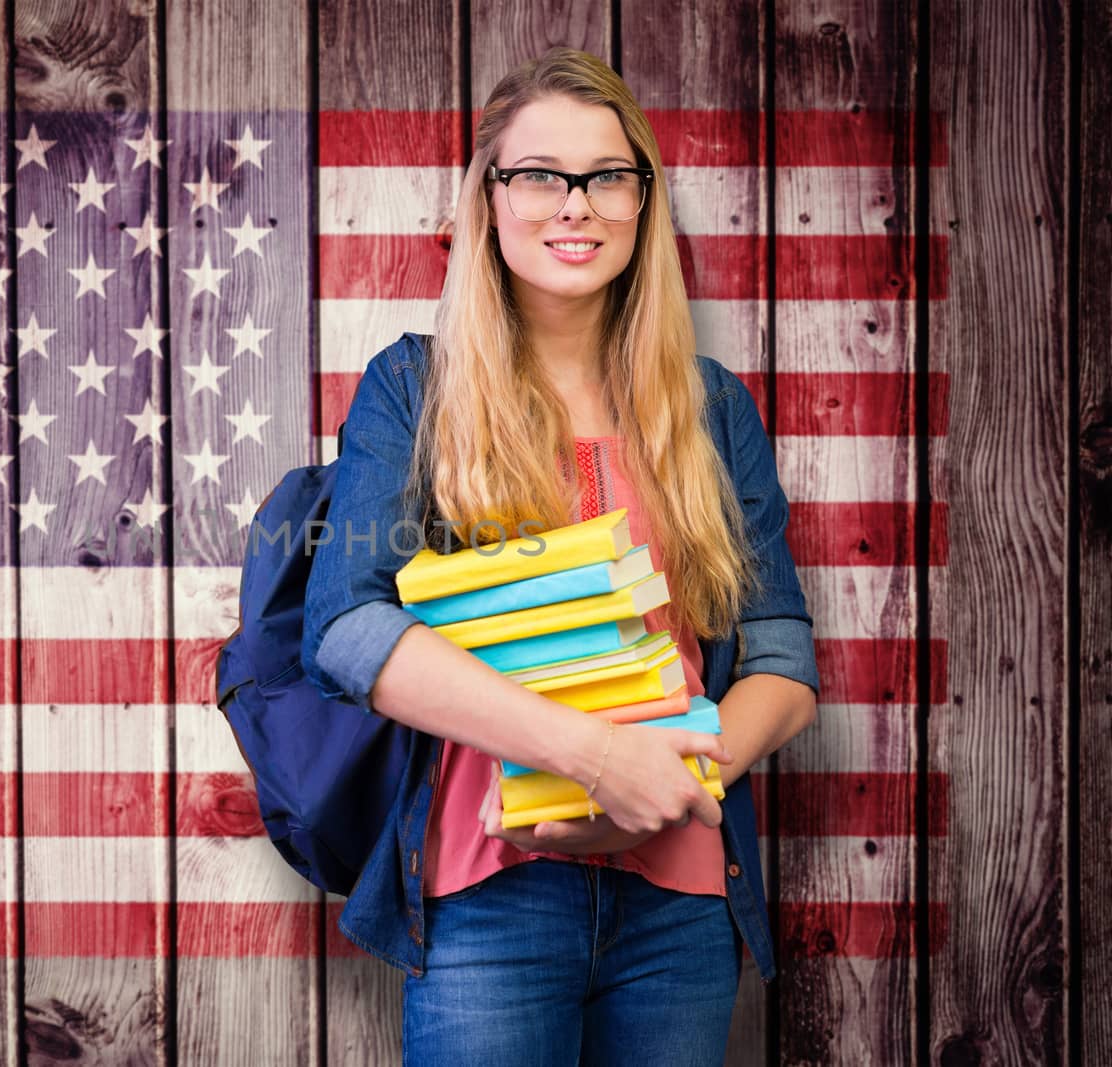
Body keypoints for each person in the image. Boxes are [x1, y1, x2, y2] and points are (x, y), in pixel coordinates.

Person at [299, 47, 821, 1065]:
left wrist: (669, 777)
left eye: (605, 176)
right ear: (488, 198)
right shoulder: (415, 389)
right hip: (487, 900)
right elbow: (347, 629)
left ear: (642, 202)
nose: (573, 204)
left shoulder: (712, 407)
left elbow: (783, 660)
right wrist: (591, 758)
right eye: (537, 173)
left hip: (680, 904)